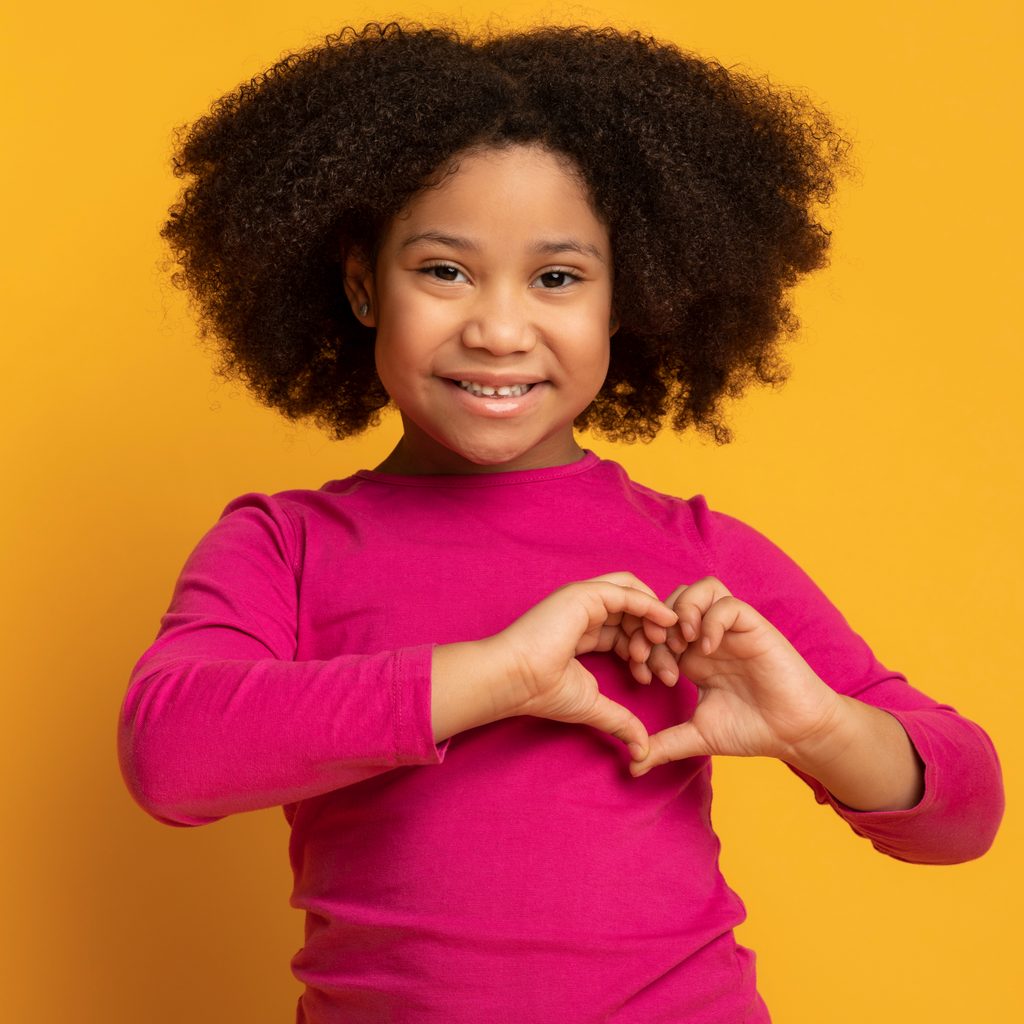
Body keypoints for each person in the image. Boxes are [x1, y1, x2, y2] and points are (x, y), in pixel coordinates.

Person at [118, 21, 1004, 1023]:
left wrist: (819, 725)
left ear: (628, 295)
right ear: (364, 282)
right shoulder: (285, 545)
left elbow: (962, 814)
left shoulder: (696, 554)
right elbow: (173, 755)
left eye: (557, 278)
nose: (499, 329)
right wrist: (501, 673)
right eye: (444, 270)